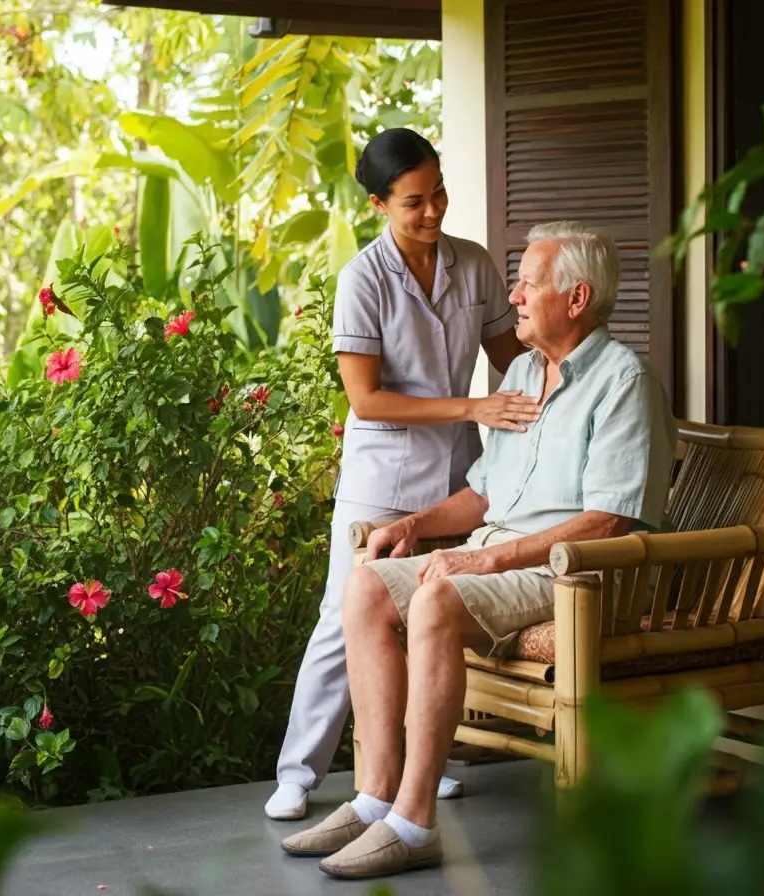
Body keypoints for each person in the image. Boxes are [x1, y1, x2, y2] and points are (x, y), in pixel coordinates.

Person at [279, 221, 677, 879]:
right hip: (509, 554)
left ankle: (414, 823)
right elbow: (485, 497)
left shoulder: (623, 381)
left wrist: (487, 558)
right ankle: (375, 796)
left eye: (527, 285)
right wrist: (417, 523)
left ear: (576, 299)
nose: (513, 298)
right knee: (367, 586)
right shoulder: (523, 371)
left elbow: (609, 522)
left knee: (438, 596)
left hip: (574, 572)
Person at [265, 128, 539, 822]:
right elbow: (366, 399)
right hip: (380, 473)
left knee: (433, 612)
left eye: (439, 192)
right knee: (344, 614)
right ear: (377, 204)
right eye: (414, 201)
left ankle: (431, 760)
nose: (433, 211)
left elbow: (515, 358)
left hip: (457, 471)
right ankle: (298, 771)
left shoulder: (473, 266)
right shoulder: (362, 279)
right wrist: (473, 403)